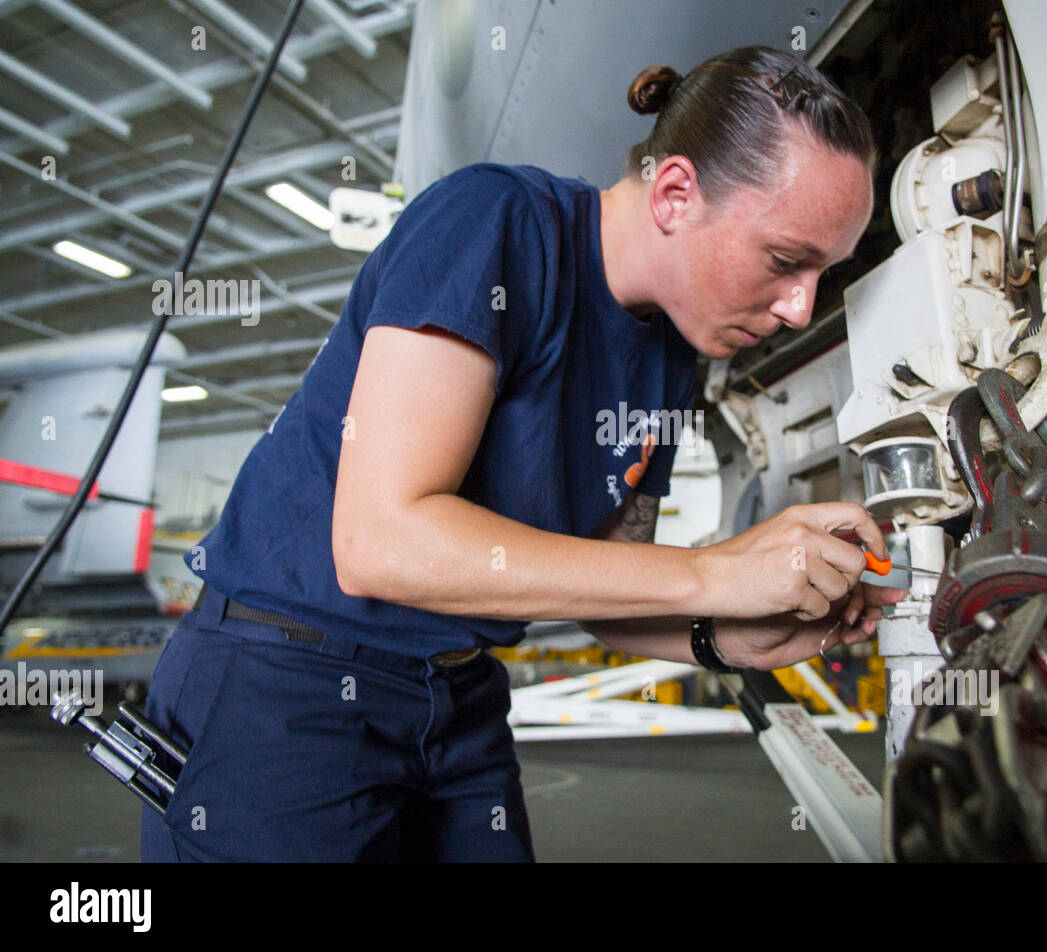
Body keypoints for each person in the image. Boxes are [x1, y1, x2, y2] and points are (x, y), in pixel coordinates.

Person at [140, 44, 905, 863]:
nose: (800, 308)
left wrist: (722, 632)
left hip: (459, 696)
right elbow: (381, 543)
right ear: (677, 193)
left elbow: (602, 577)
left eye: (823, 274)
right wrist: (719, 572)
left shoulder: (671, 355)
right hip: (286, 685)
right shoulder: (494, 222)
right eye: (787, 262)